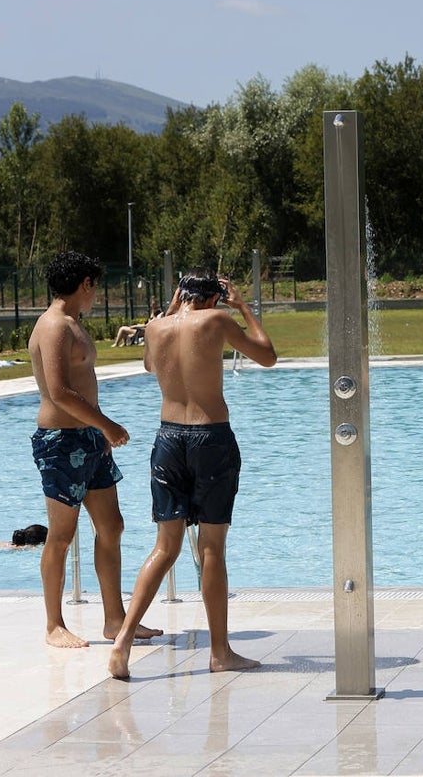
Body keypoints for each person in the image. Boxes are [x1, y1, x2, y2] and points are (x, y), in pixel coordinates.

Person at [108, 269, 277, 680]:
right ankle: (220, 653)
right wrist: (243, 307)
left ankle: (124, 640)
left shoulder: (154, 328)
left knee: (165, 547)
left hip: (168, 439)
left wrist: (167, 310)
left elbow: (151, 366)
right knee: (211, 549)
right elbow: (268, 355)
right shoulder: (216, 319)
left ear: (180, 294)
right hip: (210, 439)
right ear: (213, 299)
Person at [28, 251, 162, 649]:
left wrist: (98, 429)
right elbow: (60, 392)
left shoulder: (73, 324)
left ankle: (115, 619)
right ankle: (54, 625)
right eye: (95, 287)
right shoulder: (54, 326)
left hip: (88, 439)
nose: (96, 295)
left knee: (112, 525)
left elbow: (83, 385)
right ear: (85, 283)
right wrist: (108, 424)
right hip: (60, 442)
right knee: (62, 534)